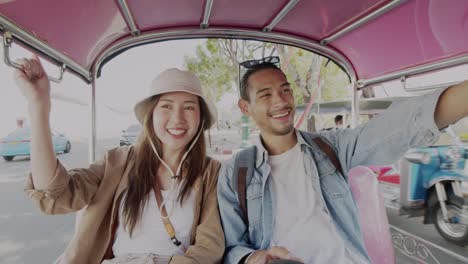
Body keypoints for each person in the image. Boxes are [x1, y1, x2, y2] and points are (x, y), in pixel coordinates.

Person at [217, 61, 468, 264]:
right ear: (245, 107)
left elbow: (400, 126)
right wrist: (252, 258)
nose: (281, 101)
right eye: (265, 95)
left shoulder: (331, 147)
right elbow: (232, 247)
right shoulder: (236, 172)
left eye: (285, 90)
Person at [16, 56, 224, 264]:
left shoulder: (211, 172)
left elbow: (210, 246)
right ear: (151, 115)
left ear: (201, 117)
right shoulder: (116, 161)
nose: (177, 118)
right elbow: (56, 194)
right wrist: (39, 105)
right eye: (166, 106)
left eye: (189, 107)